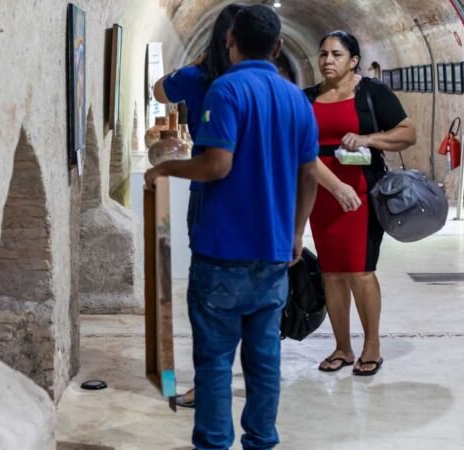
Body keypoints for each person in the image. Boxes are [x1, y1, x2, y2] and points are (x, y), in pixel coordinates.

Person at [145, 5, 319, 449]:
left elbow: (217, 164)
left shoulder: (226, 90)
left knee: (215, 362)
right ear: (279, 46)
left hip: (222, 251)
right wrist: (297, 232)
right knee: (264, 361)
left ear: (229, 40)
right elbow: (308, 176)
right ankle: (261, 442)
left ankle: (214, 444)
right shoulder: (297, 98)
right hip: (275, 252)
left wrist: (167, 170)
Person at [303, 31, 416, 376]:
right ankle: (342, 347)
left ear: (353, 61)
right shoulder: (307, 98)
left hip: (361, 194)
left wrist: (369, 138)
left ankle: (372, 346)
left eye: (336, 54)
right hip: (321, 194)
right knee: (332, 273)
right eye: (323, 54)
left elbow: (407, 133)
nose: (327, 60)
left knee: (360, 271)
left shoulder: (372, 92)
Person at [151, 2, 244, 410]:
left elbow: (159, 90)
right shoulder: (267, 87)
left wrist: (193, 63)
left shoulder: (198, 77)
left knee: (209, 298)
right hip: (257, 194)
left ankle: (207, 387)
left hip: (209, 189)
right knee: (253, 301)